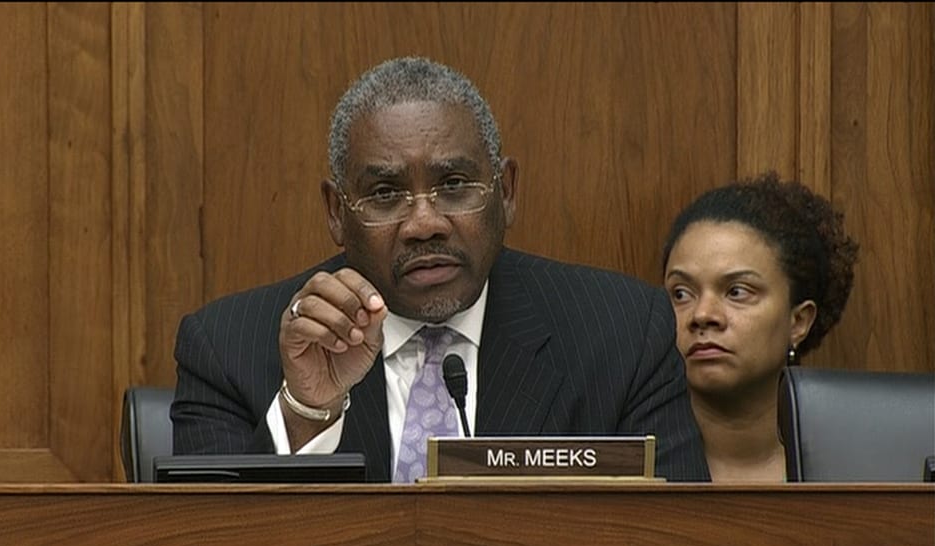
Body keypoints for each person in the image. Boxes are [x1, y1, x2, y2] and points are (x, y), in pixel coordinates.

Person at [172, 56, 710, 482]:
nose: (423, 224)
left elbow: (675, 539)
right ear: (337, 213)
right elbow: (208, 544)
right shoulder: (228, 350)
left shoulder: (623, 334)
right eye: (385, 193)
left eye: (454, 186)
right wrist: (307, 412)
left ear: (506, 192)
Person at [661, 171, 859, 482]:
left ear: (798, 321)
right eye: (681, 294)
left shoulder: (854, 470)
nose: (702, 314)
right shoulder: (630, 465)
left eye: (737, 292)